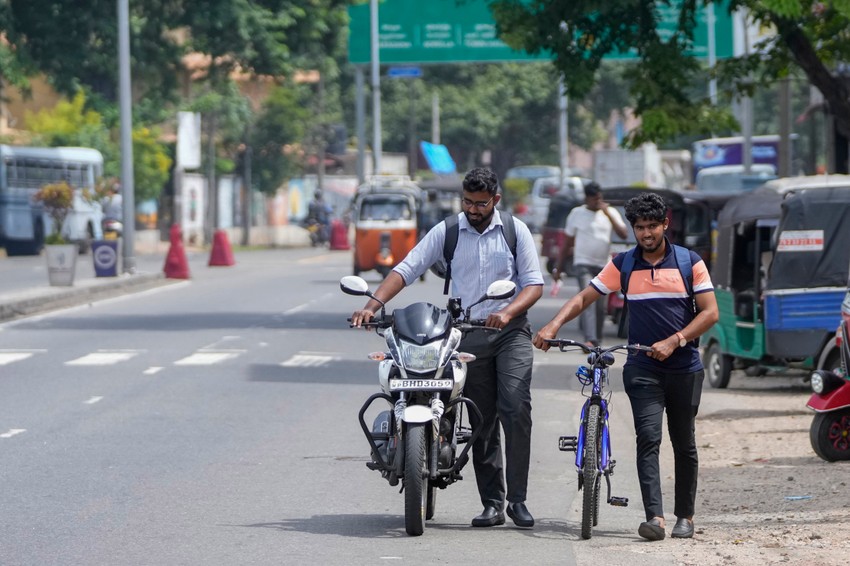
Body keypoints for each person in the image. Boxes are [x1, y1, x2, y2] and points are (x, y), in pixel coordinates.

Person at [350, 167, 544, 528]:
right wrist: (372, 305)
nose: (473, 209)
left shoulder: (516, 232)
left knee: (515, 409)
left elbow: (533, 285)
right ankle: (493, 503)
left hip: (511, 332)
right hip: (467, 334)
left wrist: (507, 312)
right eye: (467, 202)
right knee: (481, 419)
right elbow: (406, 269)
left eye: (480, 204)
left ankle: (518, 500)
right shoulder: (449, 231)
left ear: (495, 201)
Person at [533, 192, 719, 541]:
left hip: (685, 368)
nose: (646, 234)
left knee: (684, 443)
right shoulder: (624, 264)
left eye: (652, 226)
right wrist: (553, 325)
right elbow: (584, 297)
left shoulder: (688, 262)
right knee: (648, 439)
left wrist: (675, 340)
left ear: (666, 224)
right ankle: (655, 518)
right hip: (642, 368)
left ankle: (686, 516)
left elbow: (710, 313)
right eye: (639, 227)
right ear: (632, 229)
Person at [552, 182, 628, 346]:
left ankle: (596, 339)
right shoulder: (577, 214)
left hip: (604, 265)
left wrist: (608, 213)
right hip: (583, 263)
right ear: (586, 198)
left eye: (599, 198)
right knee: (587, 300)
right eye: (594, 199)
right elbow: (567, 243)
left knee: (600, 306)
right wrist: (559, 267)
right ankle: (589, 339)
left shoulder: (609, 213)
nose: (597, 202)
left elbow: (623, 234)